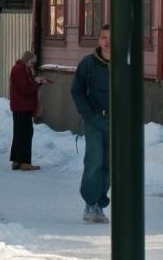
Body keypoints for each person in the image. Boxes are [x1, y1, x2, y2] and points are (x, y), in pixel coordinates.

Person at [71, 24, 110, 224]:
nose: (107, 42)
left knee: (108, 165)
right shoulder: (89, 64)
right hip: (94, 120)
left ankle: (100, 205)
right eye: (104, 37)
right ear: (99, 40)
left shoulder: (124, 64)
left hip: (115, 123)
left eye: (111, 38)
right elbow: (76, 90)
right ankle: (90, 204)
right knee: (94, 162)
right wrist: (88, 114)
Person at [9, 51, 49, 171]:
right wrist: (37, 83)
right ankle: (25, 162)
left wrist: (37, 81)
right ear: (27, 60)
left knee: (19, 133)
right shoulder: (20, 70)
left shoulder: (21, 69)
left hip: (21, 106)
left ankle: (16, 160)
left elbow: (28, 84)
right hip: (22, 106)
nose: (32, 65)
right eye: (32, 62)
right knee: (26, 133)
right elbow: (26, 88)